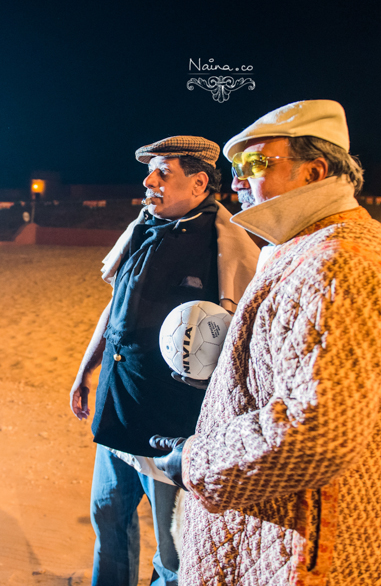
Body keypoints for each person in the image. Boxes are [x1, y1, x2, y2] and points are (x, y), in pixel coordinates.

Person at [151, 101, 381, 585]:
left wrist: (195, 460)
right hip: (290, 536)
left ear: (315, 170)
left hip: (315, 554)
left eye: (256, 164)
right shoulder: (310, 245)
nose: (238, 180)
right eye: (236, 168)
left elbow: (316, 430)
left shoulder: (338, 262)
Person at [69, 136, 259, 586]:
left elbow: (243, 351)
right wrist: (85, 370)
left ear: (198, 183)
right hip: (118, 406)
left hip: (171, 429)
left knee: (173, 555)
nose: (148, 181)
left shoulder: (228, 248)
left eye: (162, 173)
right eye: (150, 172)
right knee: (108, 520)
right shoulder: (142, 228)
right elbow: (113, 308)